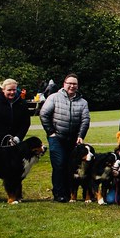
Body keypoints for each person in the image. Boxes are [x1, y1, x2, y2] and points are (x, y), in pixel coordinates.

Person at [39, 74, 91, 203]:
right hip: (56, 137)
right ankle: (59, 194)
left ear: (77, 86)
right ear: (64, 84)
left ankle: (69, 193)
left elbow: (85, 120)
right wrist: (50, 132)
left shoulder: (83, 102)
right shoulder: (54, 98)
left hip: (73, 139)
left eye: (74, 84)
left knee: (70, 165)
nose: (72, 86)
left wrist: (80, 136)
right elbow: (44, 114)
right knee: (59, 164)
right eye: (70, 83)